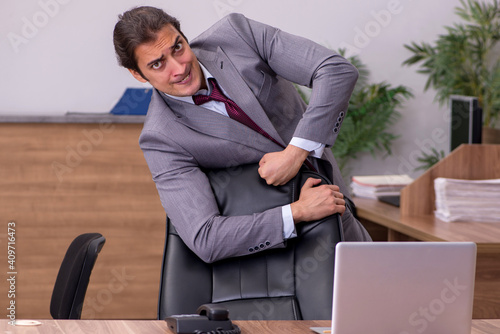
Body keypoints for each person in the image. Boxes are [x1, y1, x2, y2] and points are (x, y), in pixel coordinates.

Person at [113, 6, 371, 263]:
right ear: (137, 74)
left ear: (183, 36)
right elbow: (206, 238)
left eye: (177, 48)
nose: (178, 69)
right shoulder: (161, 138)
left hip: (337, 204)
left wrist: (295, 152)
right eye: (157, 64)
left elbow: (336, 70)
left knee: (376, 289)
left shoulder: (237, 35)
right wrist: (296, 213)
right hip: (273, 253)